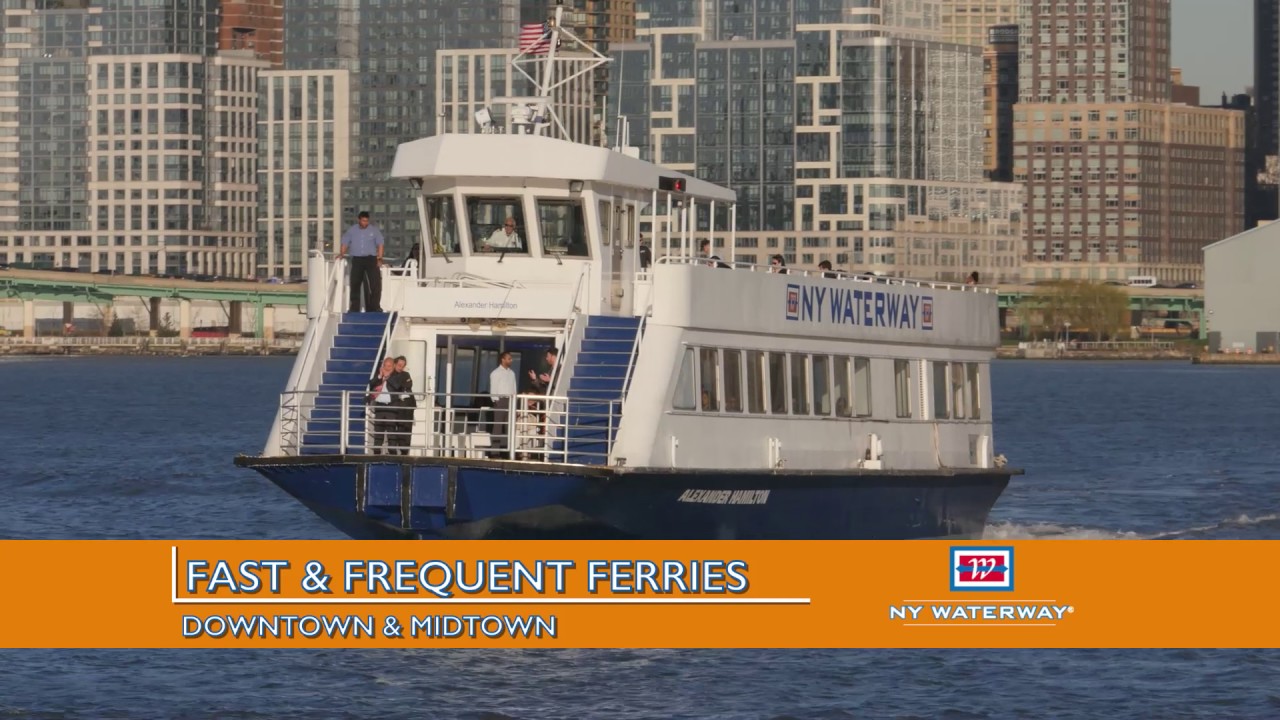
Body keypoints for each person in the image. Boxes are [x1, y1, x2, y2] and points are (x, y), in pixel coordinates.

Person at [338, 211, 384, 313]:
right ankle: (354, 307)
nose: (365, 223)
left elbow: (380, 244)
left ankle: (375, 307)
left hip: (371, 259)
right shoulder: (352, 230)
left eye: (367, 221)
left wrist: (380, 258)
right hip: (357, 259)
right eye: (363, 221)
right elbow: (345, 242)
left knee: (375, 283)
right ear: (359, 220)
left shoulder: (374, 230)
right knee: (355, 283)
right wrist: (341, 254)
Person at [366, 357, 400, 454]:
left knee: (391, 431)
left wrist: (388, 377)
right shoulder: (380, 375)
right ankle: (377, 452)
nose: (387, 368)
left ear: (393, 366)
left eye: (389, 366)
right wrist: (380, 376)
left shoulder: (397, 376)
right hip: (380, 406)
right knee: (378, 430)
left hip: (391, 407)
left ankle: (392, 452)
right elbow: (371, 384)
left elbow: (397, 386)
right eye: (385, 366)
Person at [488, 351, 517, 453]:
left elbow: (514, 388)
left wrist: (514, 400)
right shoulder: (495, 373)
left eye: (511, 358)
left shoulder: (512, 373)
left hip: (510, 400)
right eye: (509, 359)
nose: (511, 360)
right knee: (498, 426)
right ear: (503, 359)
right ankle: (495, 451)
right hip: (500, 400)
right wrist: (495, 400)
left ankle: (511, 451)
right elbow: (493, 388)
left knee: (510, 426)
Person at [389, 356, 415, 455]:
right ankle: (393, 450)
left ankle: (405, 450)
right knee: (396, 427)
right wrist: (402, 382)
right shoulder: (391, 375)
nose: (401, 367)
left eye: (403, 366)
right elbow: (395, 385)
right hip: (397, 404)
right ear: (394, 364)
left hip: (408, 405)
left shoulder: (406, 374)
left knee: (407, 428)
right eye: (399, 365)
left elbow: (409, 385)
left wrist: (400, 383)